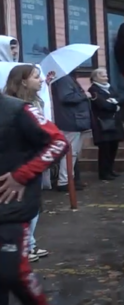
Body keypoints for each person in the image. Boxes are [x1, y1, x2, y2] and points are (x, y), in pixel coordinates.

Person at [0, 87, 68, 305]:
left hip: (10, 207)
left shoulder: (17, 110)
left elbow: (58, 142)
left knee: (13, 274)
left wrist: (22, 175)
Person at [3, 65, 50, 262]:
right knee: (19, 207)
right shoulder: (14, 106)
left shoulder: (34, 102)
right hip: (16, 167)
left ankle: (28, 244)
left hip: (33, 163)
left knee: (32, 206)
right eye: (36, 77)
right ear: (23, 81)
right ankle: (22, 247)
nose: (41, 80)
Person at [51, 71, 92, 192]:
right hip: (71, 120)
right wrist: (84, 95)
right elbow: (66, 97)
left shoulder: (66, 78)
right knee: (70, 153)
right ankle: (64, 181)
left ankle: (69, 180)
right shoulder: (64, 79)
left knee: (72, 153)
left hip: (74, 120)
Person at [87, 68, 124, 181]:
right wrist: (114, 105)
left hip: (113, 122)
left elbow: (120, 98)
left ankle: (110, 169)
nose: (106, 78)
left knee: (113, 147)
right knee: (105, 149)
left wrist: (113, 102)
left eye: (106, 75)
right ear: (95, 78)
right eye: (103, 76)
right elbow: (103, 105)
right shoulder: (93, 90)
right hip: (102, 123)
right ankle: (104, 172)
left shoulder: (110, 87)